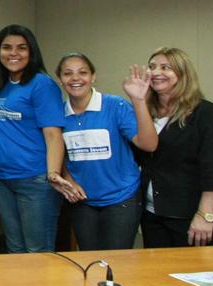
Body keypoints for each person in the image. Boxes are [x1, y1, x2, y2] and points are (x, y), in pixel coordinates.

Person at [0, 25, 82, 253]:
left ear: (31, 52)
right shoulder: (0, 85)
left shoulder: (42, 84)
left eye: (21, 48)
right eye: (7, 47)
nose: (13, 53)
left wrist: (53, 174)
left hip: (35, 180)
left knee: (38, 252)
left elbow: (53, 135)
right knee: (14, 250)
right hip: (2, 179)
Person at [56, 53, 158, 250]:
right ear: (60, 79)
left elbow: (149, 145)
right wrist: (68, 179)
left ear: (93, 76)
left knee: (117, 261)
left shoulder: (115, 106)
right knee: (90, 259)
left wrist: (138, 101)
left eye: (83, 72)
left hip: (122, 198)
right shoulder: (58, 113)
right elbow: (58, 154)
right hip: (82, 201)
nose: (75, 78)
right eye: (67, 73)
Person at [135, 47, 213, 247]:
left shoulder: (206, 113)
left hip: (194, 218)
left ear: (182, 74)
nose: (156, 72)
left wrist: (204, 215)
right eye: (152, 67)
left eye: (165, 67)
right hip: (153, 216)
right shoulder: (145, 113)